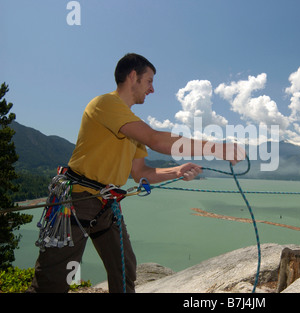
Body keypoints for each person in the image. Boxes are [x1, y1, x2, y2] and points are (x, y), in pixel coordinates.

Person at [28, 53, 245, 293]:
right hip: (78, 199)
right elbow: (155, 140)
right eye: (149, 81)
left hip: (106, 204)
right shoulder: (105, 104)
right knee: (53, 281)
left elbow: (141, 173)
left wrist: (177, 170)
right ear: (133, 76)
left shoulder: (131, 124)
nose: (152, 89)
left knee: (125, 269)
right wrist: (216, 148)